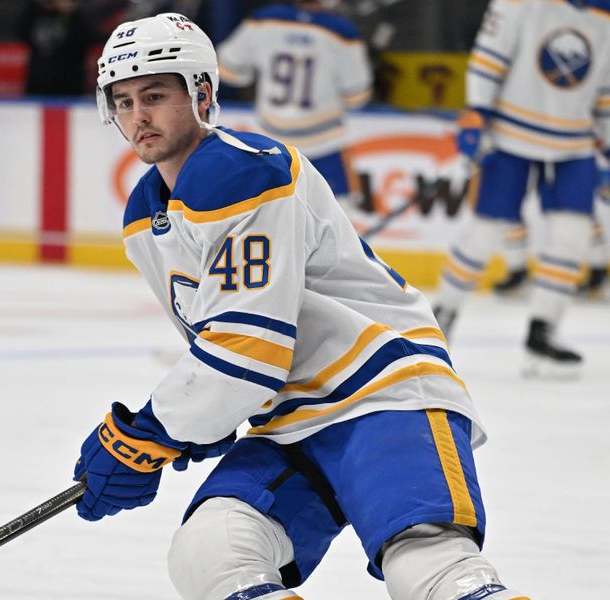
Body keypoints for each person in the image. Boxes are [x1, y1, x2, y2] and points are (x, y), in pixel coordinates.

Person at [73, 12, 529, 600]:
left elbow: (248, 350)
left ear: (202, 93)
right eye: (124, 101)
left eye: (155, 96)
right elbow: (225, 350)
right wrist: (186, 432)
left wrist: (147, 434)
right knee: (211, 551)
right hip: (291, 418)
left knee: (427, 564)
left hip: (381, 393)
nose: (138, 116)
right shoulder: (146, 215)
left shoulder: (240, 171)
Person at [432, 0, 610, 375]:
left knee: (572, 235)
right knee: (485, 231)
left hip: (575, 141)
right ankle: (439, 319)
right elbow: (489, 57)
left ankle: (542, 330)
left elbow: (605, 91)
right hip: (510, 134)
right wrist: (477, 110)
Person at [216, 0, 372, 205]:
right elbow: (356, 96)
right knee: (341, 217)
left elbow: (229, 70)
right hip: (325, 145)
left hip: (270, 144)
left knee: (268, 216)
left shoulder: (263, 19)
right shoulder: (342, 31)